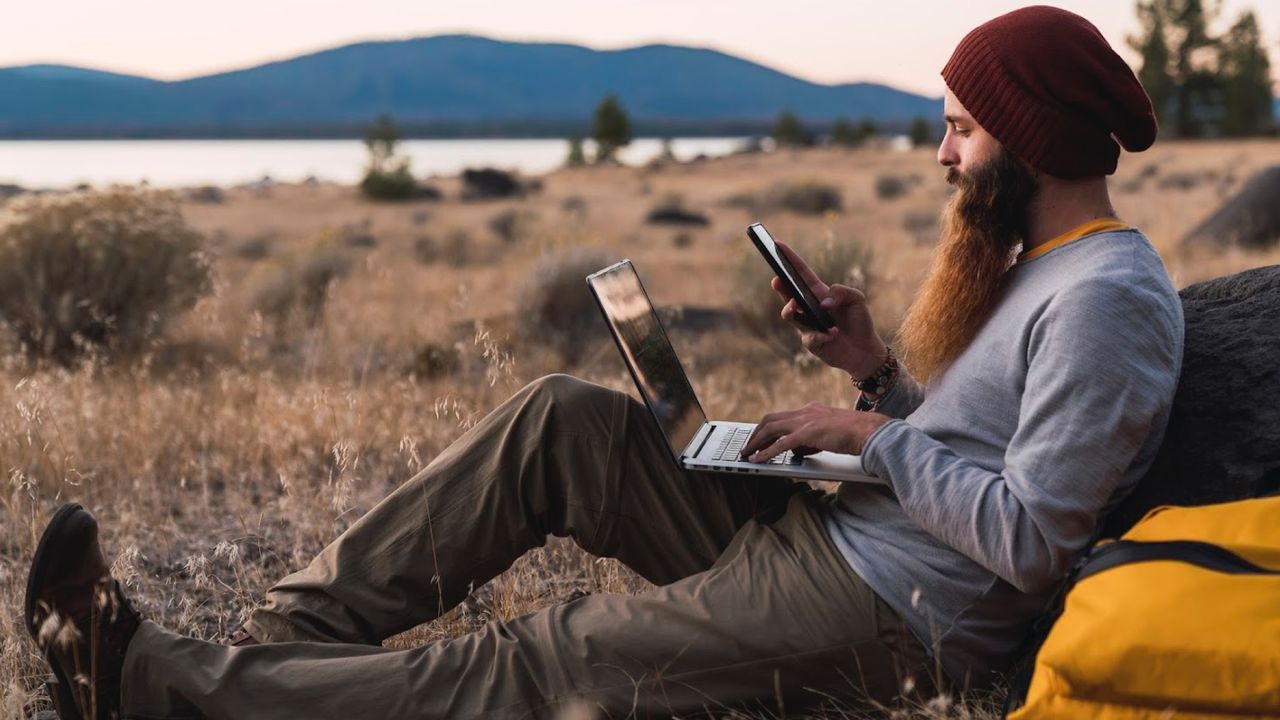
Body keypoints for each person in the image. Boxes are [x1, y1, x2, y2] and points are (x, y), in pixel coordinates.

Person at [25, 6, 1184, 719]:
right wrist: (876, 375)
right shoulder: (1042, 267)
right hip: (842, 537)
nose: (940, 154)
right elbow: (982, 452)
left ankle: (143, 686)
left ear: (1025, 139)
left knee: (540, 658)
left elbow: (1035, 543)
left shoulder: (1104, 301)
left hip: (891, 611)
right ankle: (277, 654)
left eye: (959, 130)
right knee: (559, 423)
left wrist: (874, 438)